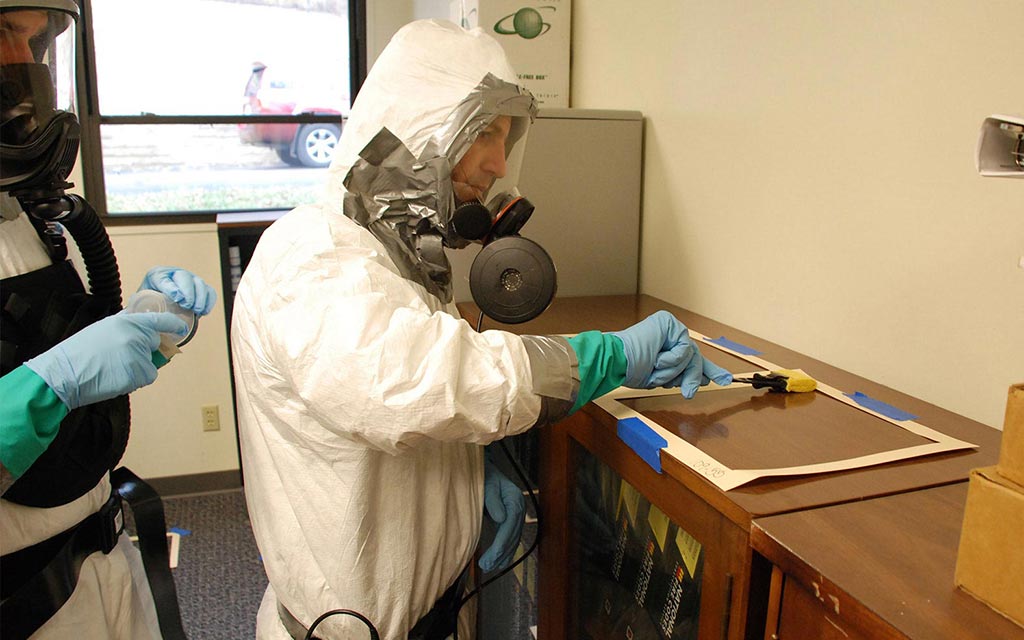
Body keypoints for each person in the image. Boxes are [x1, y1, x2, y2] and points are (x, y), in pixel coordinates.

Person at [231, 19, 732, 640]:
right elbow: (417, 384)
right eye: (485, 134)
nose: (498, 164)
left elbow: (410, 393)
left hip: (432, 613)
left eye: (506, 138)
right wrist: (605, 356)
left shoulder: (396, 263)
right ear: (418, 130)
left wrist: (467, 472)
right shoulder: (312, 257)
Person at [0, 2, 217, 638]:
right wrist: (47, 387)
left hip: (99, 562)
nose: (25, 67)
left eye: (36, 41)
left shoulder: (28, 214)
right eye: (3, 33)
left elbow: (52, 349)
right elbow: (51, 376)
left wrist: (147, 325)